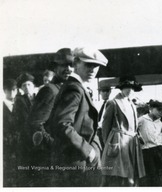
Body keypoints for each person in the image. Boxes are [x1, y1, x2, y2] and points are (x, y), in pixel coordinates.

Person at [49, 47, 107, 186]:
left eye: (96, 66)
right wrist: (89, 151)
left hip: (82, 160)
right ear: (75, 63)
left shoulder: (77, 87)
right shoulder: (74, 88)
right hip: (75, 161)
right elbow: (62, 124)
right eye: (88, 65)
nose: (93, 70)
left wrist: (94, 149)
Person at [27, 48, 74, 186]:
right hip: (51, 159)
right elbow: (35, 124)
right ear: (55, 67)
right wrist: (56, 146)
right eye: (64, 65)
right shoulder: (50, 90)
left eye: (71, 65)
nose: (69, 69)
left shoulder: (63, 89)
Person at [101, 76, 146, 186]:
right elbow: (105, 126)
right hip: (119, 141)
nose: (129, 90)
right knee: (120, 176)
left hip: (132, 142)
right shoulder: (113, 103)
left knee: (133, 174)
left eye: (131, 88)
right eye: (126, 87)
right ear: (121, 88)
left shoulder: (131, 103)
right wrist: (108, 144)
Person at [138, 100, 162, 186]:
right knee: (151, 173)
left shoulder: (159, 122)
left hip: (159, 148)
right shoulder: (142, 120)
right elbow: (132, 129)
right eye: (159, 110)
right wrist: (138, 137)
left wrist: (160, 138)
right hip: (147, 150)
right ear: (151, 108)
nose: (161, 112)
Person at [3, 79, 18, 187]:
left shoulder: (20, 105)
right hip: (6, 145)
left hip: (19, 145)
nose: (12, 93)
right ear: (4, 91)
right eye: (9, 90)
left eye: (13, 90)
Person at [97, 83, 112, 148]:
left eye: (107, 91)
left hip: (107, 131)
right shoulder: (96, 104)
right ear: (100, 92)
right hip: (97, 131)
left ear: (110, 92)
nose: (105, 93)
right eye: (103, 91)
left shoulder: (112, 104)